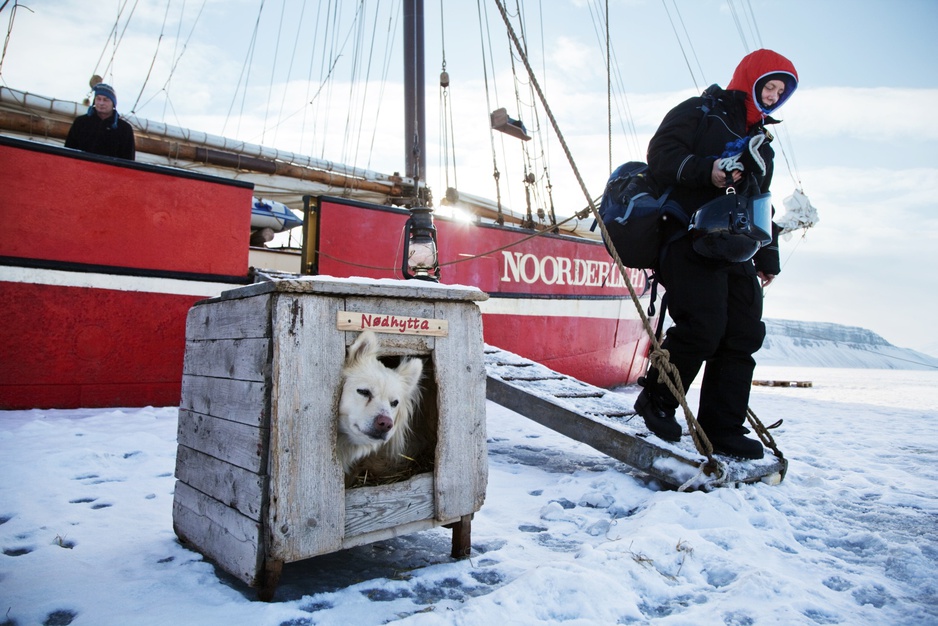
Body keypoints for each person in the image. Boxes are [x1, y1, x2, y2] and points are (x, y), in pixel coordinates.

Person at [634, 49, 799, 459]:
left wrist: (768, 258)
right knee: (704, 325)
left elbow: (763, 203)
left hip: (738, 247)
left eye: (781, 92)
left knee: (742, 333)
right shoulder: (701, 111)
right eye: (770, 86)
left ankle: (722, 428)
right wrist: (705, 169)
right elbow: (661, 155)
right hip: (688, 235)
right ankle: (657, 399)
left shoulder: (763, 145)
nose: (774, 96)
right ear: (751, 79)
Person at [65, 82, 136, 160]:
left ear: (113, 103)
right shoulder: (81, 122)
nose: (101, 103)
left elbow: (128, 160)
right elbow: (67, 151)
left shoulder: (124, 129)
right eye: (98, 99)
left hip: (109, 171)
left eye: (106, 100)